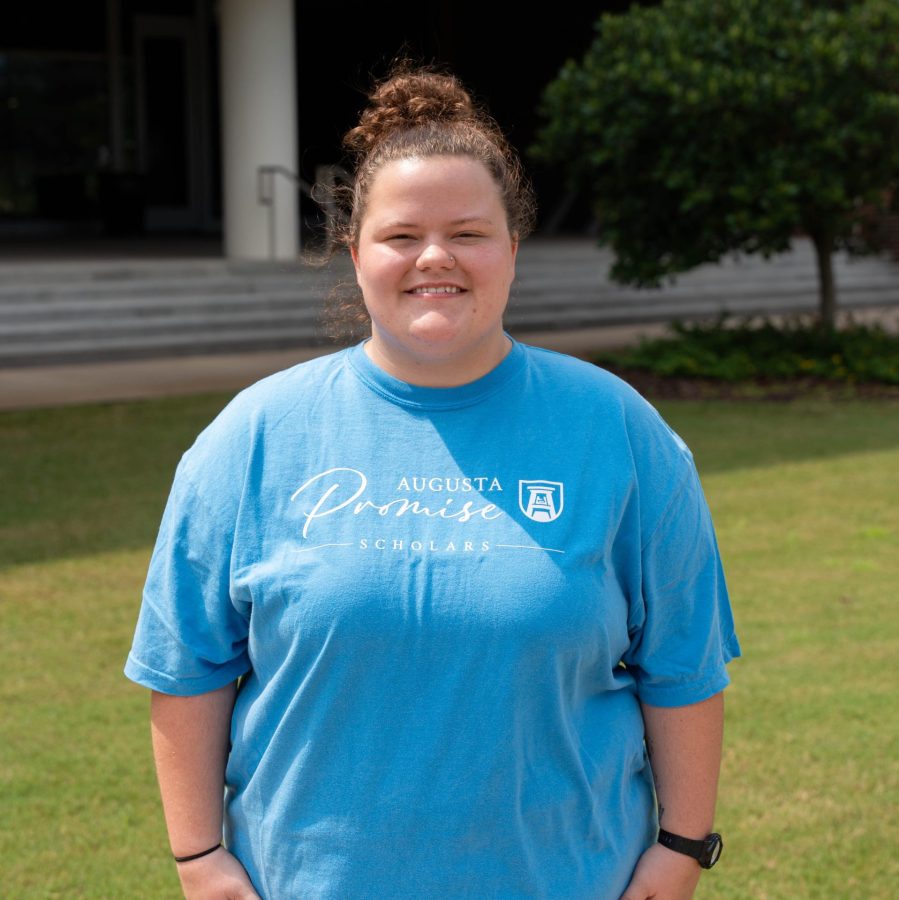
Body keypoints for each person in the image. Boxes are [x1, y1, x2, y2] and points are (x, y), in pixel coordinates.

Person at [125, 65, 740, 900]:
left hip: (567, 879)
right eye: (401, 235)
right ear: (355, 254)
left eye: (469, 232)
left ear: (513, 251)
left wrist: (679, 845)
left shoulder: (619, 431)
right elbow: (185, 665)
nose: (435, 258)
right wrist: (200, 860)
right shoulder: (254, 437)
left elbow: (683, 663)